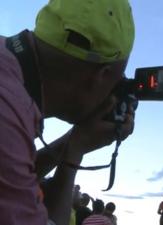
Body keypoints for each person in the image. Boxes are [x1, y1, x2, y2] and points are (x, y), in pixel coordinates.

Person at [0, 0, 135, 225]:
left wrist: (73, 140)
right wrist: (75, 153)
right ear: (101, 75)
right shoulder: (7, 114)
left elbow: (14, 175)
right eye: (115, 82)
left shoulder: (10, 76)